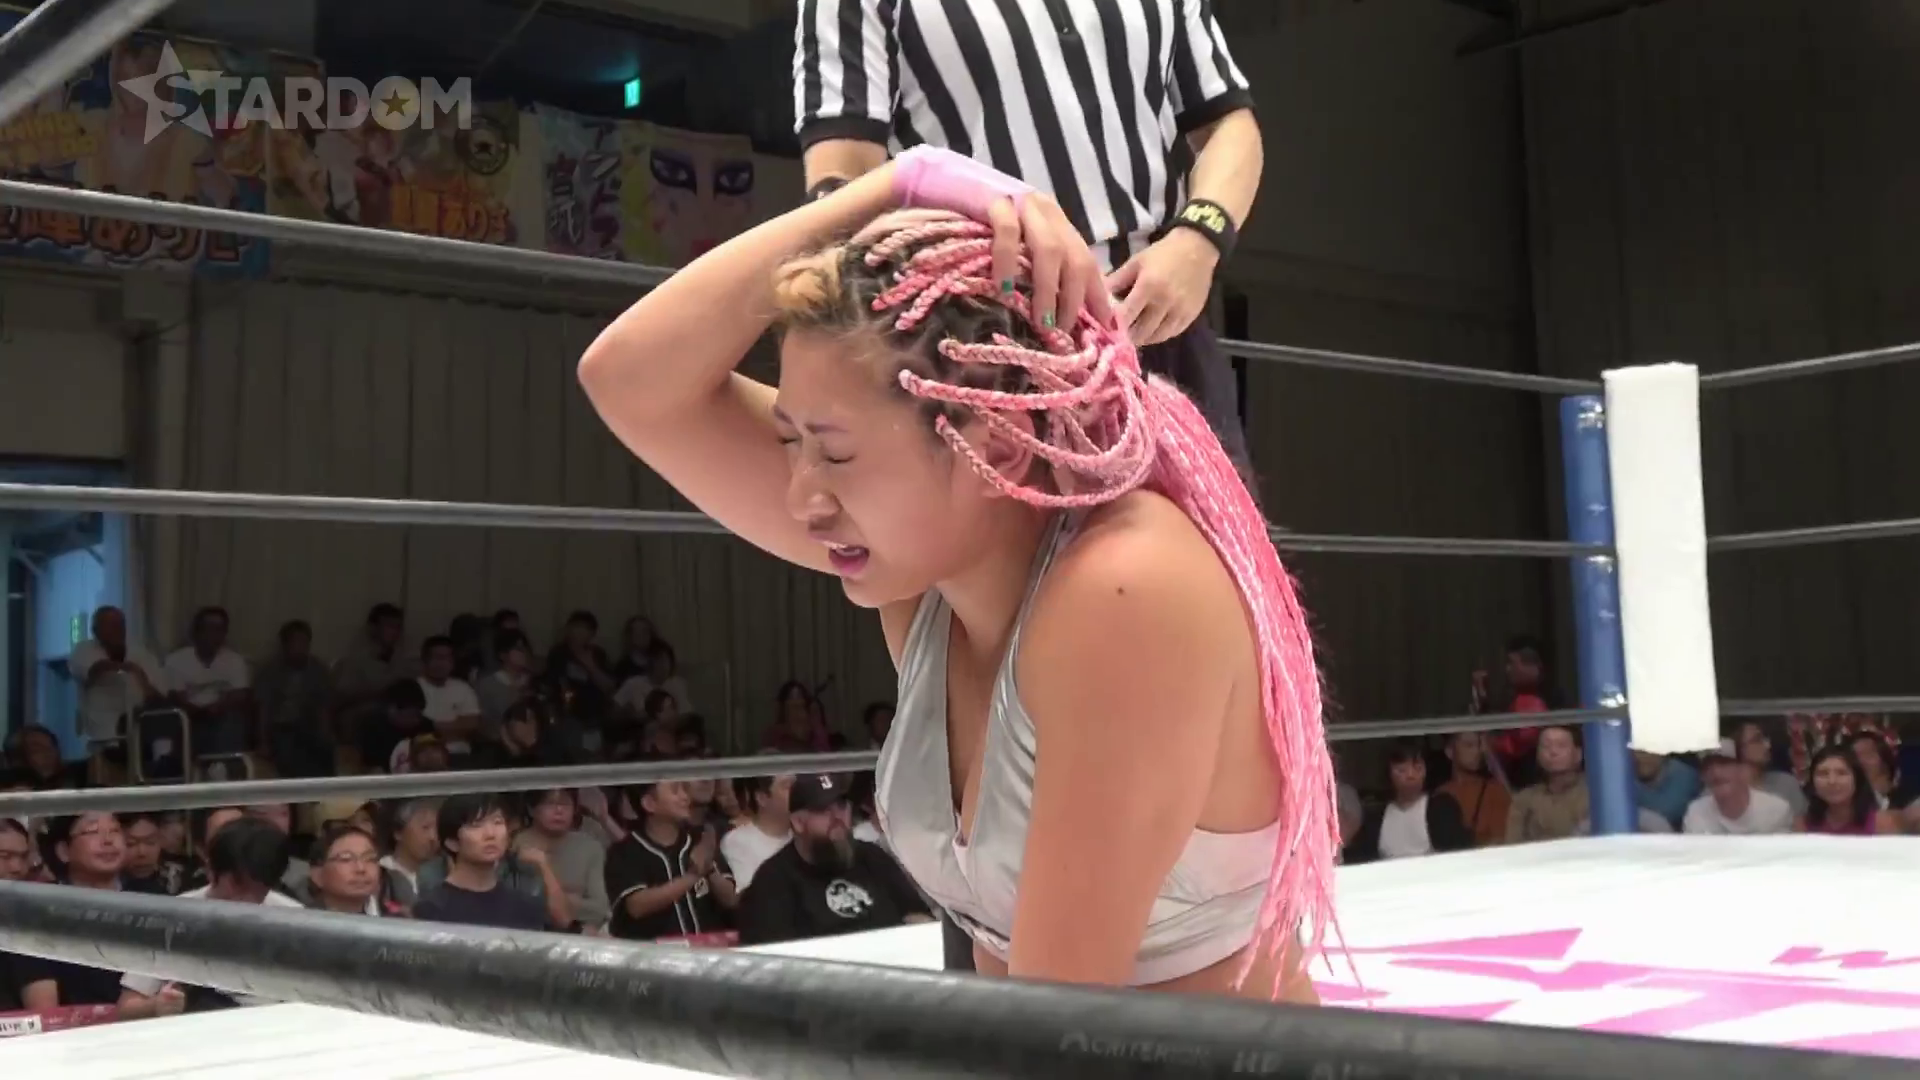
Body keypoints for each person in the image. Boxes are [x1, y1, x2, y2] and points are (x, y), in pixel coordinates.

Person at [577, 150, 1332, 1001]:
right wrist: (898, 187)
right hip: (1016, 1043)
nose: (802, 497)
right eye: (790, 442)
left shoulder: (1125, 587)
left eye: (834, 452)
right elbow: (629, 381)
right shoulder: (926, 570)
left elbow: (1057, 1023)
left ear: (995, 447)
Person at [794, 0, 1261, 487]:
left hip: (1159, 325)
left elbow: (1227, 121)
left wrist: (1198, 239)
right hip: (984, 344)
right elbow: (844, 183)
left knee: (1209, 534)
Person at [118, 816, 303, 1018]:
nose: (248, 900)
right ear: (210, 871)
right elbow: (126, 1007)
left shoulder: (294, 919)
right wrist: (155, 1006)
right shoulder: (171, 916)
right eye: (238, 885)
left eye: (259, 890)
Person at [737, 773, 932, 945]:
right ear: (798, 822)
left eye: (841, 805)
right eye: (823, 810)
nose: (838, 816)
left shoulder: (873, 857)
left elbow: (918, 916)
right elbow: (777, 962)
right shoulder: (773, 881)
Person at [602, 781, 738, 941]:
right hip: (655, 953)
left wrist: (709, 867)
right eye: (675, 791)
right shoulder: (625, 852)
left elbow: (731, 900)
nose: (685, 797)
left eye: (684, 790)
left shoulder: (700, 840)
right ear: (650, 803)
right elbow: (637, 906)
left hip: (709, 950)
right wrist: (693, 876)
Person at [412, 794, 554, 931]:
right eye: (476, 825)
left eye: (497, 822)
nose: (490, 834)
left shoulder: (524, 906)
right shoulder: (431, 909)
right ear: (452, 842)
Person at [1344, 741, 1473, 863]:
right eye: (1401, 770)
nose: (1410, 775)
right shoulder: (1377, 818)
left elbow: (1458, 854)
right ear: (1389, 774)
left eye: (1418, 768)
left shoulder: (1441, 808)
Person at [1682, 739, 1792, 836]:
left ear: (1742, 769)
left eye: (1724, 764)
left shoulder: (1776, 810)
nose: (1716, 773)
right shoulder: (1695, 813)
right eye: (1707, 767)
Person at [720, 772, 795, 890]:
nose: (797, 791)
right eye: (787, 786)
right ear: (762, 798)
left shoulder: (804, 835)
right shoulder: (738, 841)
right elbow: (753, 895)